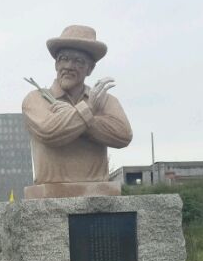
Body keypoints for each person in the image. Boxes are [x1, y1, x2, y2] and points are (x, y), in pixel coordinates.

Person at [23, 25, 133, 185]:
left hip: (98, 190)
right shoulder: (36, 99)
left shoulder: (105, 100)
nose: (69, 66)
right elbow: (50, 132)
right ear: (56, 64)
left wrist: (76, 116)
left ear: (90, 69)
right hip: (51, 191)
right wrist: (88, 110)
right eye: (64, 59)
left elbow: (123, 136)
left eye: (78, 61)